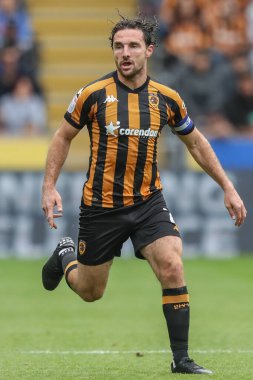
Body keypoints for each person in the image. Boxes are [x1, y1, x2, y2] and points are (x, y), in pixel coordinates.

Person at [41, 14, 247, 375]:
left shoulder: (166, 99)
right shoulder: (92, 94)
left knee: (172, 264)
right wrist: (49, 186)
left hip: (148, 203)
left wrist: (227, 187)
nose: (125, 53)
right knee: (91, 291)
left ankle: (181, 359)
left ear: (149, 50)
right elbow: (62, 137)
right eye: (119, 46)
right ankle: (66, 255)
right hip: (101, 207)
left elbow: (196, 143)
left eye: (133, 45)